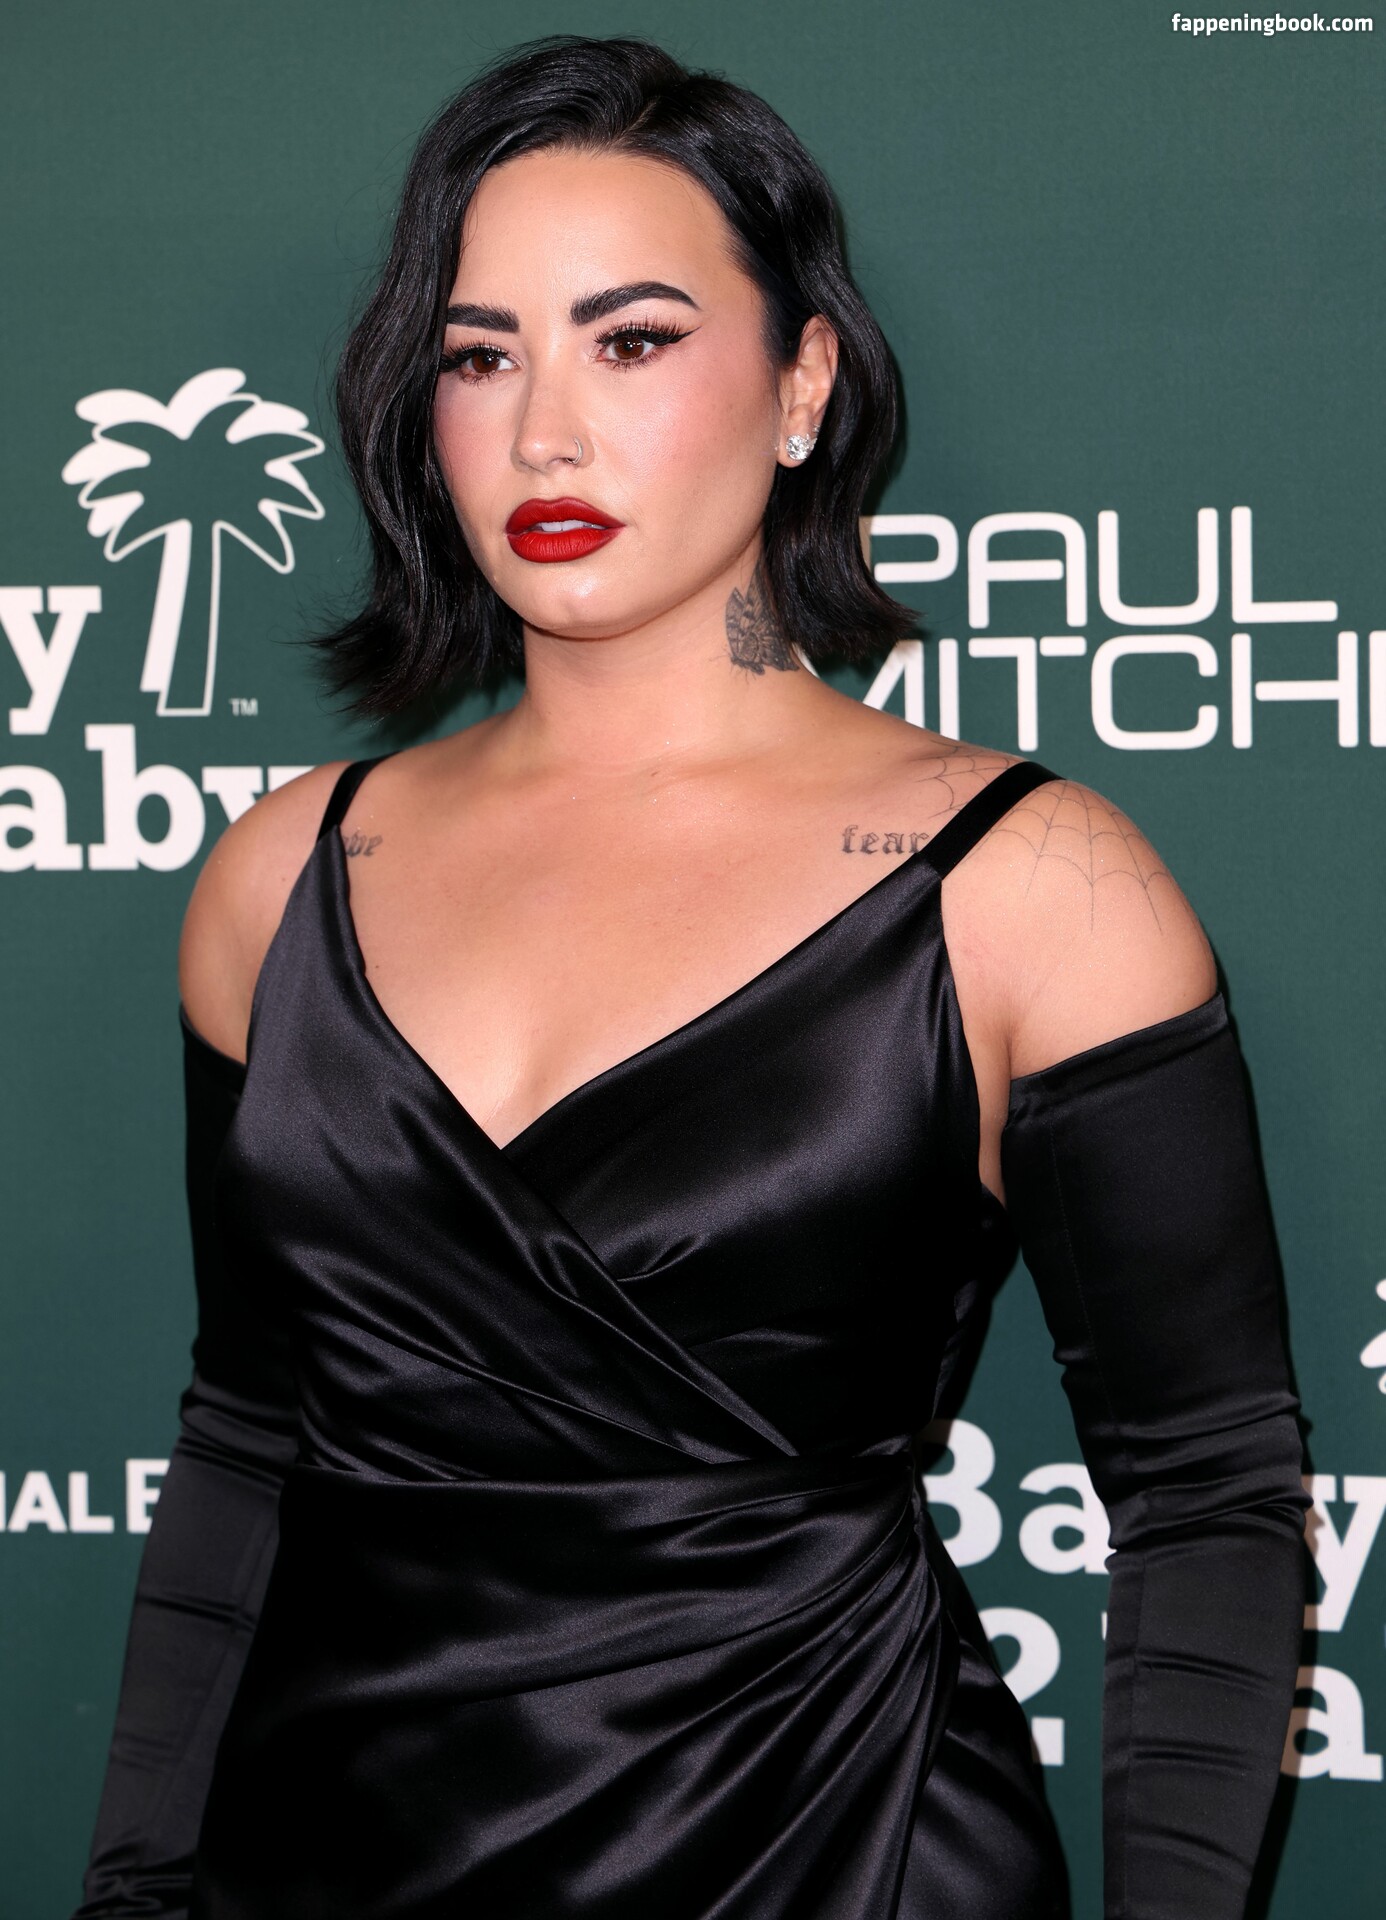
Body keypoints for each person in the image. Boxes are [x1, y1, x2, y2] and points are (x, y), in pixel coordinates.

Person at [73, 34, 1309, 1920]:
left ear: (802, 384)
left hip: (831, 1848)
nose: (542, 435)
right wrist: (135, 1887)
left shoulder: (1028, 886)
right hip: (318, 1859)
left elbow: (1205, 1492)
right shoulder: (279, 882)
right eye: (480, 357)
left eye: (632, 341)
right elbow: (245, 1444)